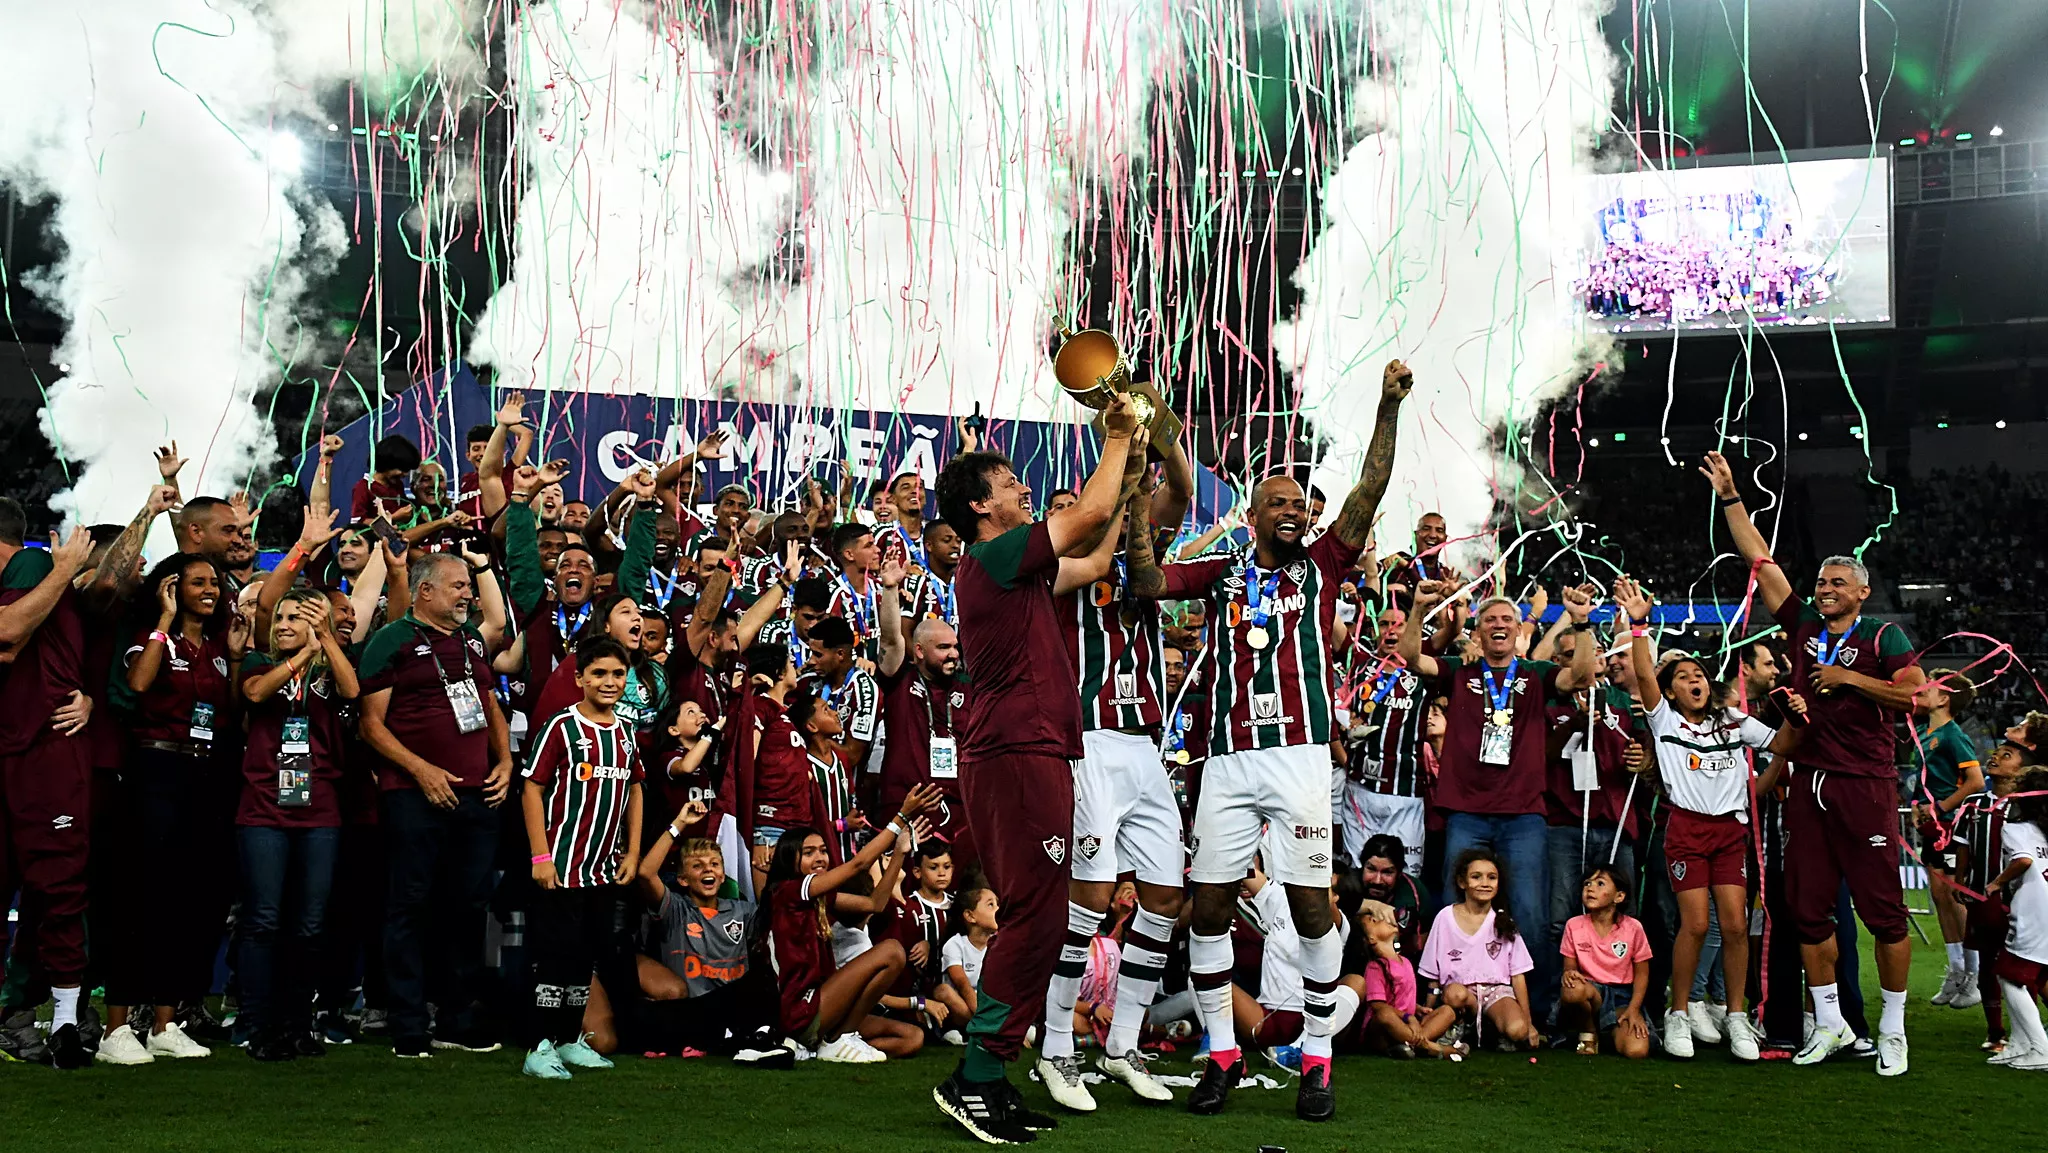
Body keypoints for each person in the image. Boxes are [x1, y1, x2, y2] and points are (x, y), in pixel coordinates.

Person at [1124, 359, 1414, 1122]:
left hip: (1299, 759)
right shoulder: (1219, 574)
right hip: (1225, 763)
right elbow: (1148, 583)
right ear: (1253, 515)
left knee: (1312, 907)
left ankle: (1316, 1057)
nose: (1294, 511)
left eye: (1299, 504)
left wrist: (1387, 408)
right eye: (1277, 502)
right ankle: (1221, 1054)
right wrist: (1132, 484)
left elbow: (1369, 490)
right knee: (1211, 907)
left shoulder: (1323, 566)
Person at [928, 391, 1141, 1144]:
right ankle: (976, 1076)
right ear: (982, 507)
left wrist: (1130, 473)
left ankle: (989, 1073)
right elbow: (1079, 519)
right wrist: (1115, 436)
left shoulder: (1015, 574)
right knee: (1031, 915)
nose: (1025, 488)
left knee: (1045, 918)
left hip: (1037, 748)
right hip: (1013, 750)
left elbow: (1097, 554)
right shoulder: (989, 557)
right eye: (1012, 482)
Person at [1702, 450, 1923, 1075]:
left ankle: (1893, 1028)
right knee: (1806, 909)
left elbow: (1914, 692)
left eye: (1835, 583)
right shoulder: (1801, 627)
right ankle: (1828, 1024)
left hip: (1865, 783)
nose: (1823, 589)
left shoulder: (1883, 637)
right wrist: (1731, 497)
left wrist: (1848, 679)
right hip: (1810, 781)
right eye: (1821, 582)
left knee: (1883, 913)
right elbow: (1759, 561)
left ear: (1862, 591)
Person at [1040, 457, 1195, 1111]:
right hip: (1089, 740)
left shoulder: (1139, 553)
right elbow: (1100, 545)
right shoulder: (1052, 565)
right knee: (1092, 897)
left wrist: (1163, 435)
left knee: (1164, 896)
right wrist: (1126, 479)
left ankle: (1121, 1043)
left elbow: (1181, 495)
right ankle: (1053, 1048)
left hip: (1146, 744)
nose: (1077, 507)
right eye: (1063, 504)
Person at [1399, 579, 1600, 1027]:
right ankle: (1448, 1006)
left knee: (1530, 911)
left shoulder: (1535, 674)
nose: (1499, 625)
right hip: (1467, 811)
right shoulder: (1459, 669)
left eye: (1507, 619)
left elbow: (1581, 674)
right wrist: (1415, 611)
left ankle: (1543, 1011)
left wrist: (1582, 622)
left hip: (1524, 812)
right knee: (1455, 909)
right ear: (1479, 628)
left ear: (1517, 630)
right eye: (1490, 619)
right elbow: (1411, 657)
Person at [1614, 575, 1799, 1061]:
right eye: (1682, 678)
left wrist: (1800, 717)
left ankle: (1736, 1017)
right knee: (1695, 925)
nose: (1693, 680)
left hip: (1728, 832)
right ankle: (1679, 1013)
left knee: (1736, 926)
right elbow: (1645, 675)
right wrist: (1638, 627)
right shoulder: (1665, 721)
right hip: (1688, 829)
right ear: (1669, 693)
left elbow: (1781, 745)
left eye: (1698, 674)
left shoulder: (1734, 720)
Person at [358, 552, 515, 1058]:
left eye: (469, 586)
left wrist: (506, 761)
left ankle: (456, 1017)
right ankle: (407, 1023)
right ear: (424, 591)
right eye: (458, 585)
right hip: (415, 795)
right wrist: (420, 770)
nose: (467, 593)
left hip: (477, 793)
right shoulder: (392, 640)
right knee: (410, 905)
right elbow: (371, 724)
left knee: (467, 907)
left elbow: (489, 703)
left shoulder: (470, 641)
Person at [107, 551, 246, 1061]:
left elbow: (230, 713)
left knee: (187, 898)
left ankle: (165, 1025)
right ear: (172, 588)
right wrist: (164, 621)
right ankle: (115, 1029)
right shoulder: (151, 637)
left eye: (215, 583)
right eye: (198, 582)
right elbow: (138, 685)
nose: (211, 590)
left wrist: (233, 657)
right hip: (156, 771)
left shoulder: (213, 647)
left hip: (204, 772)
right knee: (142, 897)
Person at [235, 589, 360, 1061]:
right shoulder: (256, 663)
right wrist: (305, 651)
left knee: (309, 923)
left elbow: (352, 692)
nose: (285, 623)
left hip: (320, 809)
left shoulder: (329, 671)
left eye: (298, 617)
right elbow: (254, 694)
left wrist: (324, 643)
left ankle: (297, 1022)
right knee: (263, 919)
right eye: (282, 616)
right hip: (263, 808)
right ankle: (257, 1022)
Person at [518, 637, 645, 1080]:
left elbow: (633, 789)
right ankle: (538, 1045)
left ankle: (570, 1040)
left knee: (586, 958)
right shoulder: (561, 727)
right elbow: (532, 787)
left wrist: (632, 850)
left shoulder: (626, 732)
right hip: (561, 865)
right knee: (554, 958)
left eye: (617, 674)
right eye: (599, 674)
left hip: (602, 869)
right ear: (580, 679)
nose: (609, 682)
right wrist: (540, 854)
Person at [0, 515, 97, 1068]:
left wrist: (58, 572)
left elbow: (11, 637)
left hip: (42, 753)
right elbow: (10, 637)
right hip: (26, 753)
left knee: (57, 885)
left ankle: (61, 1020)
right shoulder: (47, 572)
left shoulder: (32, 564)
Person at [763, 785, 938, 1063]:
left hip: (827, 1005)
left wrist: (900, 853)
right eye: (809, 852)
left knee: (912, 1038)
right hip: (802, 1011)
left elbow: (875, 905)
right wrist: (901, 816)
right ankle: (837, 1039)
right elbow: (859, 865)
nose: (820, 857)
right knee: (892, 951)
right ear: (790, 858)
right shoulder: (789, 891)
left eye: (822, 850)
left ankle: (827, 1045)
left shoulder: (820, 896)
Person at [1340, 607, 1429, 875]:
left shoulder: (1426, 670)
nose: (1390, 629)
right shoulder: (1359, 664)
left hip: (1405, 794)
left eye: (1398, 624)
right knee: (1357, 874)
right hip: (1359, 790)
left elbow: (1450, 632)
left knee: (1404, 876)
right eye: (1384, 623)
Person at [1915, 669, 1985, 1008]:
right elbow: (1924, 781)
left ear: (1944, 698)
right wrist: (1918, 807)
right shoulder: (1925, 733)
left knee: (1957, 899)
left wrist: (1940, 807)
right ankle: (1957, 970)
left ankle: (1975, 976)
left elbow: (1975, 781)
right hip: (1934, 826)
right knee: (1940, 896)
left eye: (1930, 686)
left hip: (1953, 827)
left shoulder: (1953, 735)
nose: (1922, 689)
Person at [1419, 848, 1536, 1051]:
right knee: (1455, 994)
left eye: (1492, 877)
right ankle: (1463, 1025)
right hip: (1460, 994)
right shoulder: (1445, 918)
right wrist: (1430, 1010)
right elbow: (1432, 973)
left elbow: (1518, 975)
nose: (1484, 883)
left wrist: (1529, 1023)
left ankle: (1491, 1028)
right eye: (1476, 877)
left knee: (1517, 1030)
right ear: (1462, 882)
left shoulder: (1503, 921)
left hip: (1496, 993)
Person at [1984, 767, 2048, 1071]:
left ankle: (2041, 1048)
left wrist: (1997, 882)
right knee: (2024, 974)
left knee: (2010, 975)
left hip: (2035, 910)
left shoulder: (2016, 828)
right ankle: (2021, 1045)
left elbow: (2023, 859)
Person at [1557, 865, 1652, 1059]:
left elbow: (1642, 973)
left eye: (1600, 884)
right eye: (1587, 884)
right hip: (1591, 992)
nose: (1590, 888)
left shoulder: (1633, 928)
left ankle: (1610, 1032)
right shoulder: (1574, 925)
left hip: (1621, 998)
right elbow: (1569, 966)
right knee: (1573, 989)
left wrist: (1634, 1009)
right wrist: (1569, 973)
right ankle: (1589, 1031)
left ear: (1619, 896)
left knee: (1636, 1051)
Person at [1344, 898, 1456, 1058]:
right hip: (1385, 1029)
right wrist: (1407, 1017)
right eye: (1374, 920)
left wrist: (1417, 1009)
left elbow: (1401, 996)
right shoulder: (1376, 967)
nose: (1383, 918)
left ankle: (1412, 1044)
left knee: (1447, 1011)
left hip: (1407, 1023)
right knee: (1385, 1016)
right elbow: (1379, 1007)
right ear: (1371, 939)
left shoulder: (1406, 962)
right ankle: (1428, 1046)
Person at [945, 887, 1000, 1017]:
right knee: (943, 991)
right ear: (970, 916)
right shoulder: (955, 944)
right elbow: (963, 986)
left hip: (987, 1003)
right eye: (991, 904)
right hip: (964, 1005)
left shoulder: (999, 944)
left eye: (998, 904)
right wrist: (985, 1020)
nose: (998, 909)